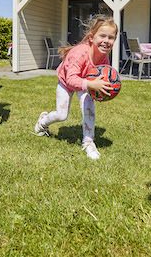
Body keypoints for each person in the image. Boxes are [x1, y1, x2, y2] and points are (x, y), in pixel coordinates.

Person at [34, 16, 118, 160]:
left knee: (88, 107)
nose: (106, 40)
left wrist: (101, 91)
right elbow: (71, 79)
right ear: (92, 37)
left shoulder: (104, 57)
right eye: (102, 36)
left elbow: (105, 75)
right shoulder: (79, 53)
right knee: (62, 115)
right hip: (66, 82)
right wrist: (91, 84)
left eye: (111, 37)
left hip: (86, 83)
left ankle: (88, 142)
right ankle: (42, 122)